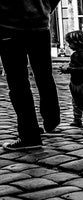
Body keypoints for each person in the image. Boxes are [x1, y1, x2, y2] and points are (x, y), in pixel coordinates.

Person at [0, 0, 61, 151]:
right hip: (39, 23)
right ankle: (51, 118)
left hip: (9, 25)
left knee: (18, 82)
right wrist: (44, 8)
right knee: (44, 74)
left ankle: (30, 135)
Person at [59, 30, 83, 128]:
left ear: (78, 42)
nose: (69, 45)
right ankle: (77, 119)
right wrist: (66, 70)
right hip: (74, 82)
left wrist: (69, 69)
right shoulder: (74, 55)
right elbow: (72, 66)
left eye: (70, 43)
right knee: (76, 102)